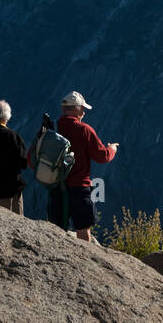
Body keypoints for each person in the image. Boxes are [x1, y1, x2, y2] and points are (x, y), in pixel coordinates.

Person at [46, 91, 118, 242]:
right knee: (83, 228)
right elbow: (102, 156)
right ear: (75, 108)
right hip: (79, 188)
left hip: (56, 187)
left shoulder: (51, 128)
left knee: (56, 230)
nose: (84, 112)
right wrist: (112, 149)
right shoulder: (84, 130)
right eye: (82, 108)